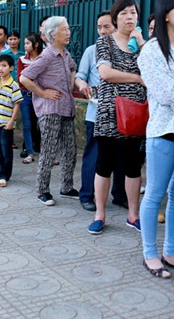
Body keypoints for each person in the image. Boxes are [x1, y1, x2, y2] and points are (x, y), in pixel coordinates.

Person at [137, 0, 174, 278]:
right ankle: (149, 253)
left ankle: (171, 251)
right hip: (164, 130)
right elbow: (165, 92)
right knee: (156, 192)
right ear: (166, 14)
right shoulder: (151, 51)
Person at [87, 0, 146, 234]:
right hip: (109, 112)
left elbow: (152, 69)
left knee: (133, 165)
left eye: (133, 13)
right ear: (115, 18)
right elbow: (105, 72)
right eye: (124, 13)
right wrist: (136, 77)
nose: (129, 17)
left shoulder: (144, 45)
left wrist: (142, 43)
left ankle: (133, 215)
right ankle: (100, 214)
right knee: (104, 164)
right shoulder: (105, 42)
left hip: (136, 112)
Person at [20, 16, 79, 206]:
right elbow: (24, 78)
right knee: (49, 150)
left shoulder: (65, 54)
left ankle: (66, 187)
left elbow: (73, 68)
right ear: (53, 34)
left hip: (66, 108)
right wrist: (42, 93)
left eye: (68, 29)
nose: (68, 32)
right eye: (64, 29)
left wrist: (70, 86)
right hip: (50, 110)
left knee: (70, 149)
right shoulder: (46, 56)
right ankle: (42, 190)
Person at [74, 11, 128, 212]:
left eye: (107, 26)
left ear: (116, 26)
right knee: (94, 156)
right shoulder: (91, 50)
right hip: (96, 113)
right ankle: (87, 195)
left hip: (124, 114)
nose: (102, 31)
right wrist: (82, 85)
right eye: (99, 27)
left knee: (122, 156)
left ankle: (120, 195)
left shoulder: (127, 49)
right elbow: (80, 76)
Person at [0, 54, 23, 186]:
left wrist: (12, 121)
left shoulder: (14, 85)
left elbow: (17, 104)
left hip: (5, 124)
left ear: (11, 68)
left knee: (6, 150)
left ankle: (5, 174)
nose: (1, 69)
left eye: (4, 66)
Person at [16, 33, 44, 165]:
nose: (25, 46)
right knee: (27, 124)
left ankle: (47, 152)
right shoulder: (22, 59)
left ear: (36, 44)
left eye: (28, 43)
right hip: (25, 95)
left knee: (44, 124)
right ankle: (30, 152)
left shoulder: (44, 58)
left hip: (41, 96)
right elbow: (21, 80)